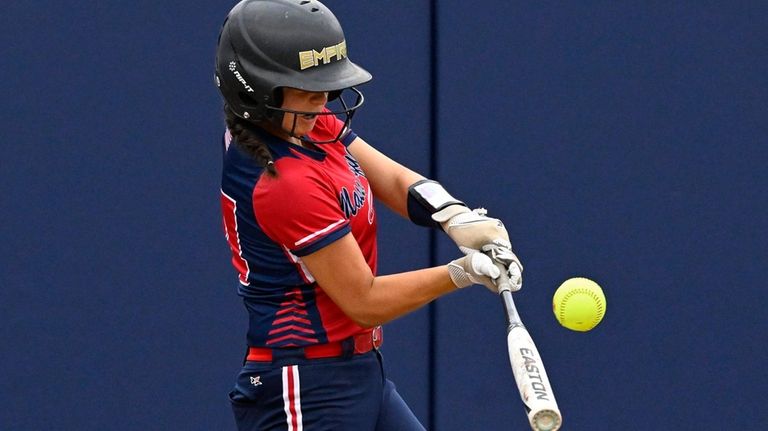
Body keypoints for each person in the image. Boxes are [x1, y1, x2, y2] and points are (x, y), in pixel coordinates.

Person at [213, 1, 522, 429]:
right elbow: (365, 301)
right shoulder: (284, 183)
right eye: (305, 87)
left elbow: (393, 181)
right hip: (305, 391)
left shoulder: (299, 121)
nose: (322, 99)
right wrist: (463, 272)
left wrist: (454, 216)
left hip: (359, 372)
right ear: (258, 90)